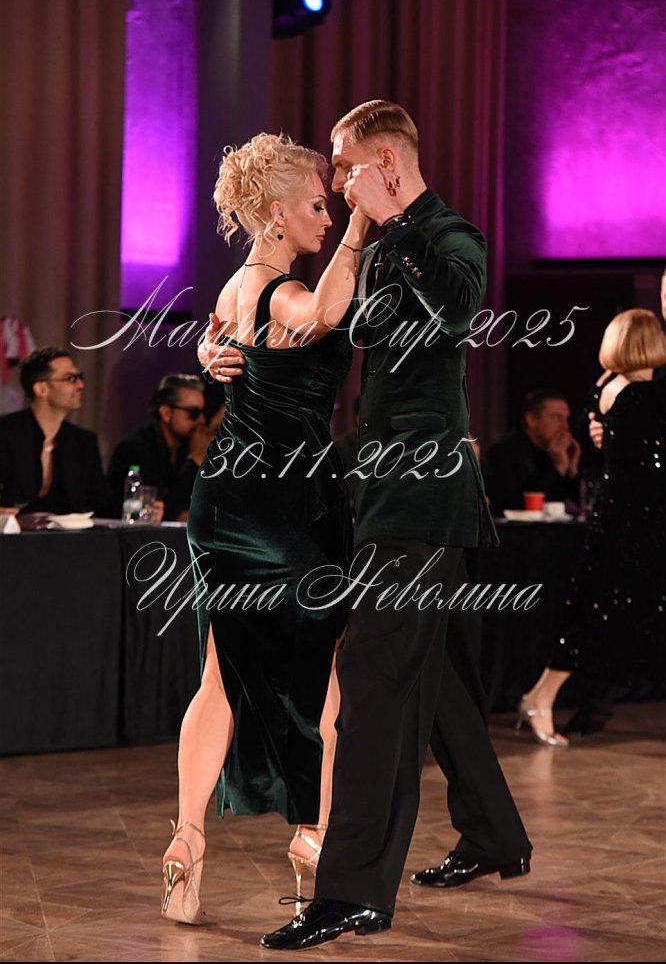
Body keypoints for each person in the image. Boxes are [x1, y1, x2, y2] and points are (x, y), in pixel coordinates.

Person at [248, 100, 531, 951]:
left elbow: (458, 311)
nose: (337, 181)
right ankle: (495, 833)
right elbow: (322, 328)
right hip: (379, 496)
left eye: (344, 165)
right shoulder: (374, 246)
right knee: (434, 682)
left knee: (370, 689)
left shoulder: (449, 235)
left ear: (385, 163)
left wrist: (398, 220)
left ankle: (351, 892)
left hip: (421, 501)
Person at [160, 132, 369, 925]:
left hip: (225, 500)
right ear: (276, 213)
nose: (329, 214)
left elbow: (223, 337)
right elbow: (319, 314)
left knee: (219, 674)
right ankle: (313, 835)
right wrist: (363, 223)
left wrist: (209, 348)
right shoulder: (284, 291)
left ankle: (187, 840)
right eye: (318, 203)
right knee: (322, 676)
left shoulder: (231, 289)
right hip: (286, 504)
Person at [517, 309, 666, 746]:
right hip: (635, 522)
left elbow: (598, 448)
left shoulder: (606, 388)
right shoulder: (643, 396)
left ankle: (547, 697)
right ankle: (541, 697)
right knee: (597, 615)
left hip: (618, 515)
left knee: (598, 612)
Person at [0, 346, 115, 517]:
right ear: (42, 389)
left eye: (80, 377)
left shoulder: (83, 442)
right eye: (70, 378)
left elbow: (104, 504)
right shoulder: (5, 433)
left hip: (69, 535)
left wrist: (140, 507)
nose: (81, 385)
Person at [107, 374, 208, 521]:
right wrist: (194, 460)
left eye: (203, 412)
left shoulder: (185, 447)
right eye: (194, 413)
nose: (201, 420)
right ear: (166, 413)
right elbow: (161, 509)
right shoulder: (136, 448)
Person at [484, 389, 581, 515]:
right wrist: (558, 469)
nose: (565, 426)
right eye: (556, 418)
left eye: (566, 419)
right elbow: (516, 504)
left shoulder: (560, 451)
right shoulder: (504, 452)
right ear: (532, 420)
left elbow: (576, 506)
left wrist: (572, 471)